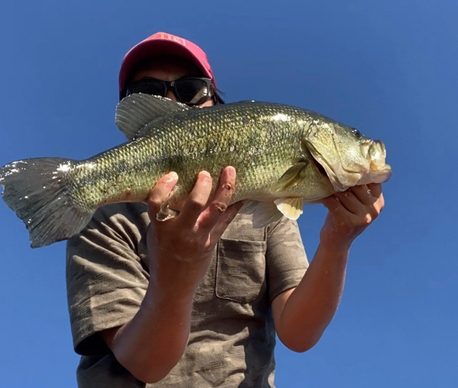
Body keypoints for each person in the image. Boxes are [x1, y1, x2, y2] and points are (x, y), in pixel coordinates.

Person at [66, 32, 385, 387]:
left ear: (218, 109)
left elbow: (299, 333)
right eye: (149, 93)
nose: (173, 99)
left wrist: (337, 241)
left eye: (190, 89)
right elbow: (146, 364)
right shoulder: (103, 217)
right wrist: (177, 274)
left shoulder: (269, 205)